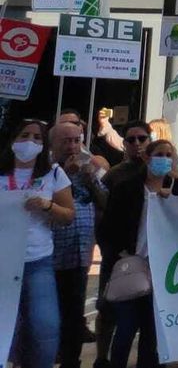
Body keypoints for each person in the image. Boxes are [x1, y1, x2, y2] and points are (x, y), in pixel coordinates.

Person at [100, 139, 178, 368]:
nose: (164, 159)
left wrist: (173, 202)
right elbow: (108, 226)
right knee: (126, 328)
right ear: (147, 157)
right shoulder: (127, 187)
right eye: (159, 154)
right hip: (132, 265)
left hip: (163, 269)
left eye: (169, 155)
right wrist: (119, 255)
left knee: (153, 331)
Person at [3, 120, 72, 368]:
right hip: (3, 260)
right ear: (12, 139)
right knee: (6, 328)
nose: (30, 142)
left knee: (45, 326)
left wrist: (48, 206)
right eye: (24, 135)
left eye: (37, 138)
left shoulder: (53, 173)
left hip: (37, 261)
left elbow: (68, 216)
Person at [44, 119, 104, 368]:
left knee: (73, 314)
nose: (72, 147)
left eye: (76, 141)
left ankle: (71, 360)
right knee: (48, 314)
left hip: (79, 254)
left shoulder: (88, 167)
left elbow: (105, 202)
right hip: (49, 255)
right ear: (52, 144)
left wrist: (90, 179)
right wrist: (65, 175)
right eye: (66, 141)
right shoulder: (44, 170)